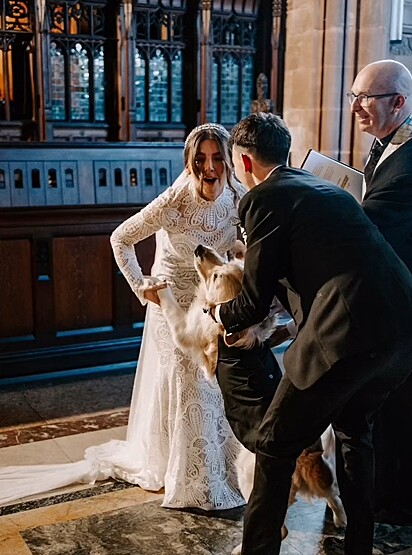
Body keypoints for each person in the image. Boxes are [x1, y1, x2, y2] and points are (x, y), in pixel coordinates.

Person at [0, 123, 245, 511]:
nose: (209, 167)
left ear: (229, 161)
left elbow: (246, 243)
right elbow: (121, 238)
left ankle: (222, 469)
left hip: (211, 308)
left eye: (216, 158)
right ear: (189, 162)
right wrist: (140, 284)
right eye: (200, 159)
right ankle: (194, 481)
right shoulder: (174, 200)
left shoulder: (238, 197)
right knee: (189, 388)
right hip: (173, 304)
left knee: (212, 386)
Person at [208, 112, 412, 555]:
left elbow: (254, 303)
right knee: (355, 432)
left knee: (274, 442)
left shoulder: (263, 199)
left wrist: (217, 312)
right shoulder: (327, 190)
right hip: (401, 329)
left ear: (243, 163)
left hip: (343, 338)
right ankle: (359, 544)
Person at [349, 59, 412, 524]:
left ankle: (397, 504)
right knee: (385, 406)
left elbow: (371, 221)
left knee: (400, 408)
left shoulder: (410, 157)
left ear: (399, 102)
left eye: (366, 98)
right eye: (353, 97)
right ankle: (383, 495)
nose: (356, 107)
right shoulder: (382, 144)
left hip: (403, 300)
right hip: (384, 295)